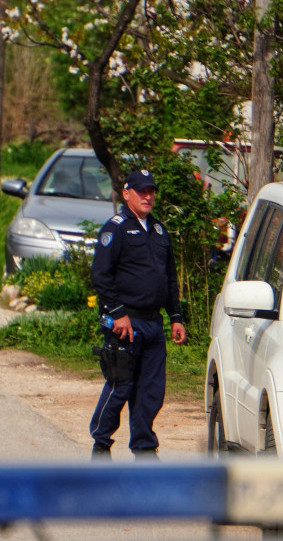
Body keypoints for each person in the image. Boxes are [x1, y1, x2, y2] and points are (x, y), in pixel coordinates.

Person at [89, 169, 187, 460]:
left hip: (153, 322)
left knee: (150, 390)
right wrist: (118, 314)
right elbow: (101, 276)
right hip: (125, 323)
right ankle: (101, 444)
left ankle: (144, 448)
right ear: (127, 193)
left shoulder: (158, 230)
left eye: (151, 191)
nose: (148, 196)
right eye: (141, 191)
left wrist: (176, 317)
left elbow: (170, 279)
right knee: (121, 385)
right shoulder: (116, 228)